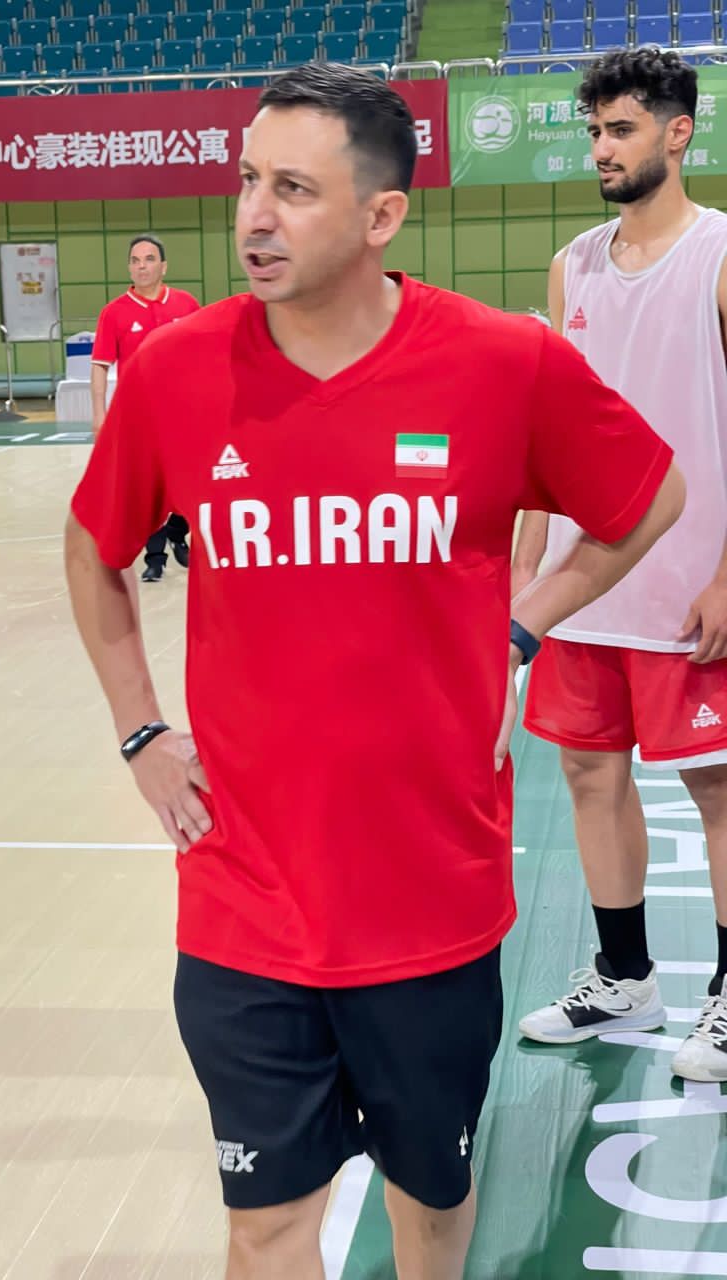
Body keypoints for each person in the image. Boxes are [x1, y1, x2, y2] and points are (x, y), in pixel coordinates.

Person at [65, 62, 684, 1280]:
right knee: (265, 1223)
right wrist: (142, 732)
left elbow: (647, 496)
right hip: (245, 897)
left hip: (432, 898)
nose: (254, 216)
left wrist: (524, 622)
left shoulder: (500, 362)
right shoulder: (182, 371)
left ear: (383, 213)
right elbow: (95, 548)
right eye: (248, 181)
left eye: (294, 190)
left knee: (431, 1201)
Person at [515, 49, 727, 1083]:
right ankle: (625, 974)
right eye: (594, 130)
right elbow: (548, 438)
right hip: (587, 584)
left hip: (693, 587)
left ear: (679, 133)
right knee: (590, 773)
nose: (601, 148)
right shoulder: (574, 265)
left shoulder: (720, 255)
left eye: (622, 129)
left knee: (717, 788)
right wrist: (526, 580)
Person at [90, 233, 200, 581]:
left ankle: (177, 531)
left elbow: (203, 356)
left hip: (183, 414)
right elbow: (100, 365)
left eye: (149, 259)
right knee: (147, 488)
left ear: (163, 266)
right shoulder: (114, 313)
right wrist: (99, 415)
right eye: (135, 261)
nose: (142, 267)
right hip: (139, 416)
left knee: (189, 480)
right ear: (129, 268)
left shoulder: (186, 305)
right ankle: (155, 558)